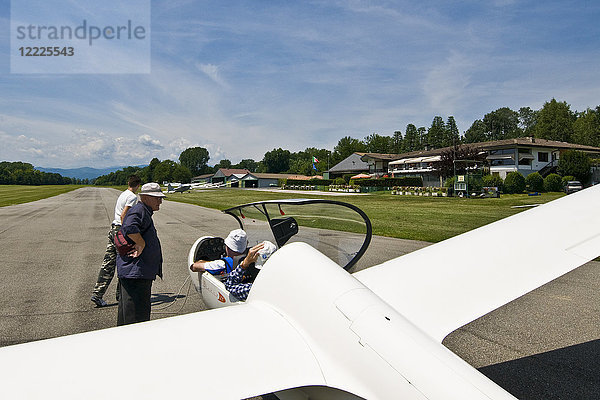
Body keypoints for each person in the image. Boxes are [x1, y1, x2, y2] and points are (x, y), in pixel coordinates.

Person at [116, 182, 166, 326]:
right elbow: (130, 226)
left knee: (128, 315)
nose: (160, 201)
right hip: (136, 274)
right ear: (146, 197)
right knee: (136, 319)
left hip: (136, 273)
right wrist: (141, 243)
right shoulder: (140, 210)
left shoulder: (143, 210)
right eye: (157, 198)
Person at [91, 175, 141, 307]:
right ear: (138, 185)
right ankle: (122, 295)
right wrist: (126, 231)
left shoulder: (123, 194)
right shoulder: (133, 197)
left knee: (108, 262)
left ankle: (98, 293)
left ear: (128, 182)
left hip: (113, 230)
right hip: (121, 230)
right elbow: (125, 214)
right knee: (125, 263)